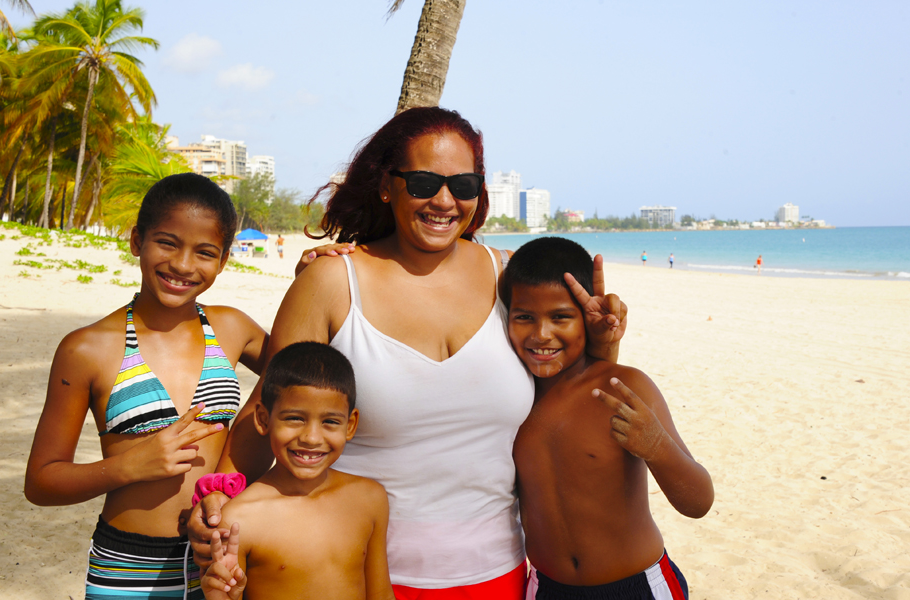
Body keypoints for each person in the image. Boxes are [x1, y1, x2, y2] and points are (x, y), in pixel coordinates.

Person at [189, 107, 627, 600]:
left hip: (498, 575)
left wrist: (605, 344)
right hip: (352, 573)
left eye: (463, 185)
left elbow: (568, 396)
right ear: (386, 185)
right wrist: (217, 500)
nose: (444, 200)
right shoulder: (332, 282)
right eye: (422, 182)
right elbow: (265, 409)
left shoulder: (511, 279)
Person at [24, 173, 269, 599]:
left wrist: (314, 272)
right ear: (138, 240)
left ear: (224, 260)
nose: (182, 265)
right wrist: (130, 466)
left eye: (205, 252)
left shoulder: (232, 328)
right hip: (127, 567)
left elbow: (305, 376)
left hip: (223, 560)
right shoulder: (87, 348)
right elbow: (41, 482)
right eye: (167, 243)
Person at [503, 237, 714, 600]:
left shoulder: (623, 388)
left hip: (636, 586)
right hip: (546, 588)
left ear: (586, 318)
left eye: (560, 317)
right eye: (524, 317)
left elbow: (698, 502)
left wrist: (657, 447)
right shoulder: (509, 401)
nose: (541, 334)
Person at [200, 342, 393, 600]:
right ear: (264, 419)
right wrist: (218, 595)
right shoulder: (239, 519)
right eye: (295, 418)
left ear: (350, 424)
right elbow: (225, 592)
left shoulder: (370, 499)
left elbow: (380, 593)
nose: (312, 438)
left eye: (330, 422)